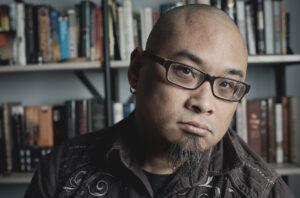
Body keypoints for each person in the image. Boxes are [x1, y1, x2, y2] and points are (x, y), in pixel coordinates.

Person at [25, 4, 294, 198]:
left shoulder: (263, 191)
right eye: (185, 71)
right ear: (136, 70)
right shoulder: (62, 171)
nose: (204, 103)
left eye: (226, 85)